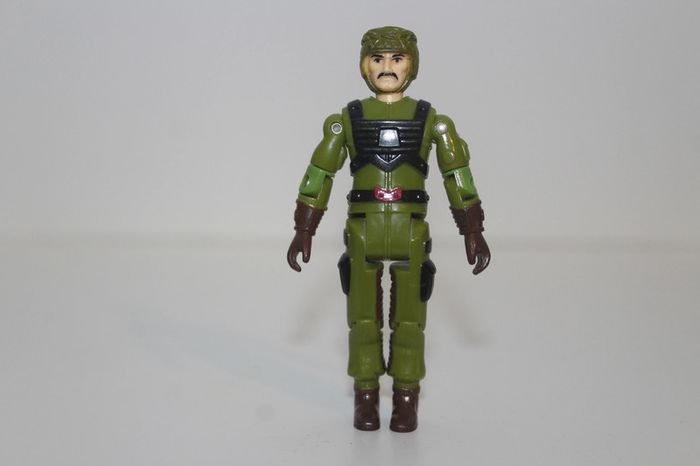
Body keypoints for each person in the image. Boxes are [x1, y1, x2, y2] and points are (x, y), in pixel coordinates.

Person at [287, 26, 490, 432]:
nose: (387, 67)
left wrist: (472, 229)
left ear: (412, 65)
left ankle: (405, 396)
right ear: (364, 65)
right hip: (362, 229)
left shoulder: (432, 121)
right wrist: (304, 227)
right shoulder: (347, 119)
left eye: (397, 59)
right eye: (377, 58)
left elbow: (457, 175)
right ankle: (365, 394)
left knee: (410, 319)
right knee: (362, 317)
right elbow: (320, 172)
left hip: (410, 230)